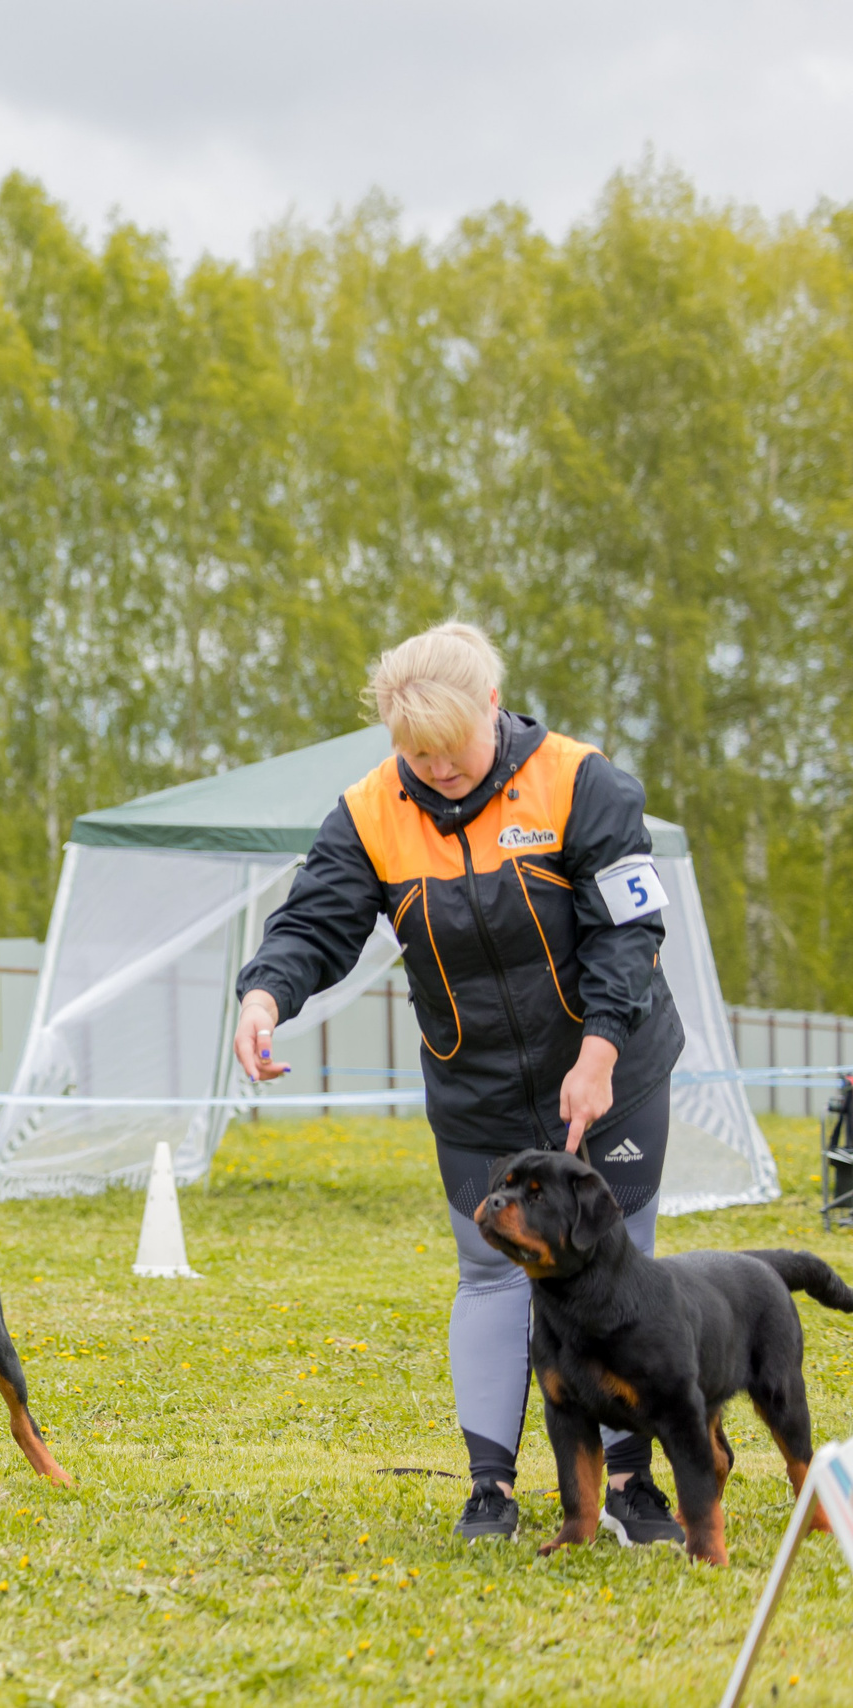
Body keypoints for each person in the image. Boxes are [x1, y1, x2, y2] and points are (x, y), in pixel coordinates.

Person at [232, 622, 688, 1545]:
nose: (437, 769)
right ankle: (493, 1488)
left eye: (452, 748)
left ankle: (634, 1483)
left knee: (616, 1271)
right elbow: (314, 923)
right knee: (488, 1273)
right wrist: (265, 994)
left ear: (491, 705)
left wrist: (599, 1050)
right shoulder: (368, 811)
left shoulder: (580, 779)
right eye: (417, 754)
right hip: (475, 1092)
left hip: (613, 1069)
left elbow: (627, 934)